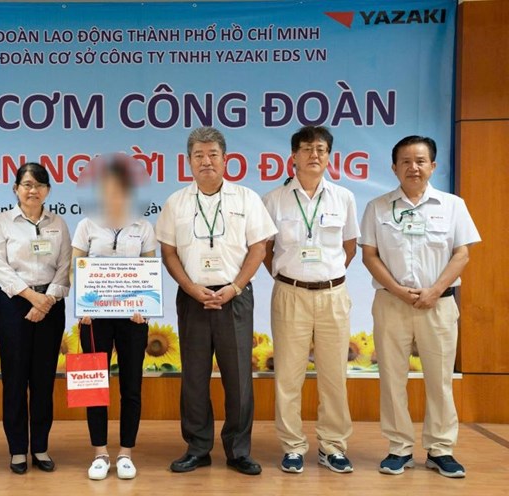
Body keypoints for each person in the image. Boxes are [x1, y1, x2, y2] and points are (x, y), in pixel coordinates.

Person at [156, 126, 277, 476]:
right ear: (189, 162)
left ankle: (238, 450)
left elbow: (259, 248)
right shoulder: (176, 202)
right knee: (194, 376)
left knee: (238, 377)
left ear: (225, 160)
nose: (206, 161)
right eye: (198, 156)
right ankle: (197, 447)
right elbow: (168, 251)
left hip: (234, 296)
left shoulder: (247, 199)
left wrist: (236, 286)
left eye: (212, 155)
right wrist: (192, 288)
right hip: (193, 297)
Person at [360, 136, 480, 478]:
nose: (413, 167)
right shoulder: (377, 207)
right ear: (394, 167)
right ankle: (399, 448)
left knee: (440, 380)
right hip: (390, 303)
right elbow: (369, 255)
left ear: (432, 166)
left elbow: (462, 253)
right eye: (406, 161)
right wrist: (398, 289)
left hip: (438, 305)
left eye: (420, 161)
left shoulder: (452, 205)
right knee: (392, 378)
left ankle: (441, 449)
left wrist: (436, 289)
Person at [262, 126, 359, 474]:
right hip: (290, 293)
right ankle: (292, 446)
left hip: (333, 294)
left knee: (335, 375)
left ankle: (333, 446)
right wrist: (290, 276)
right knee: (288, 375)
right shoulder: (273, 199)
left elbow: (349, 248)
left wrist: (327, 276)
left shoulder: (343, 198)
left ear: (329, 156)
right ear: (293, 156)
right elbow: (266, 250)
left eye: (320, 149)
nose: (313, 155)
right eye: (306, 149)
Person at [71, 155, 156, 481]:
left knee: (131, 386)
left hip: (133, 319)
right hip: (96, 319)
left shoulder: (143, 226)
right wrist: (83, 307)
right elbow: (75, 268)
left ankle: (125, 454)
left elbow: (149, 270)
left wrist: (144, 307)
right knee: (95, 386)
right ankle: (99, 454)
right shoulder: (87, 225)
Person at [0, 162, 71, 475]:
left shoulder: (58, 224)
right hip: (13, 304)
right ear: (16, 189)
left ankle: (40, 447)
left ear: (48, 190)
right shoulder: (3, 222)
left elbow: (65, 267)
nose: (32, 190)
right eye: (26, 184)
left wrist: (46, 299)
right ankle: (17, 449)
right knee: (15, 379)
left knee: (42, 380)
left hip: (50, 307)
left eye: (38, 185)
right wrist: (31, 297)